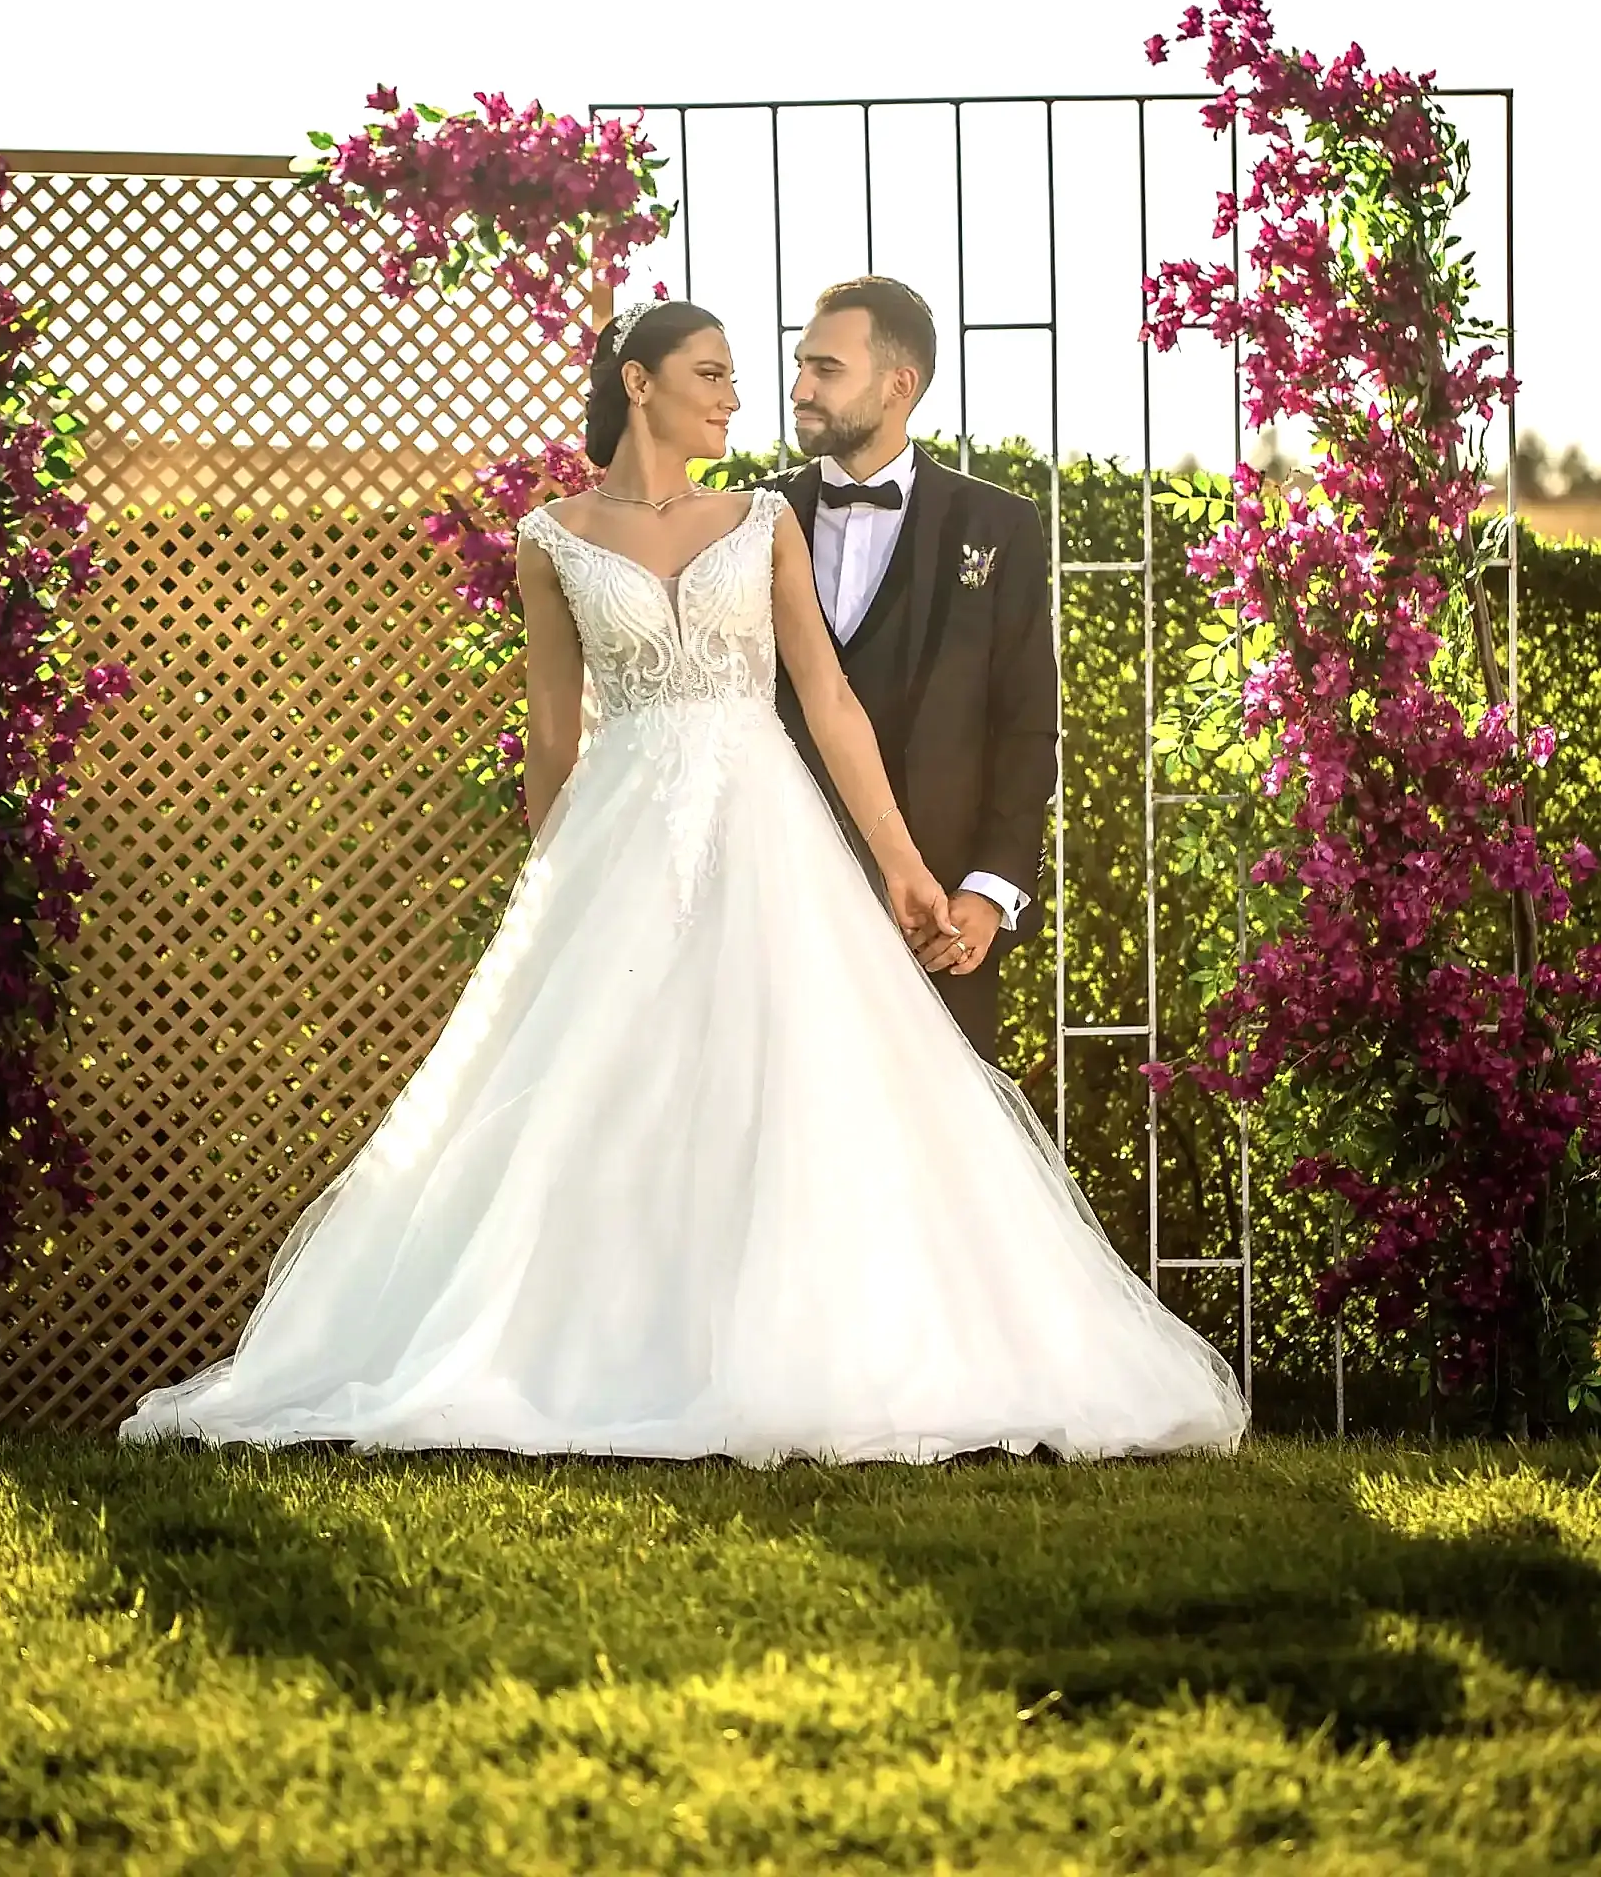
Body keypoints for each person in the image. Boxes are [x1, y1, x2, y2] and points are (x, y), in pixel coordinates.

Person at [120, 300, 1247, 1462]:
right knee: (602, 1091)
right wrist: (550, 889)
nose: (739, 395)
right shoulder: (551, 538)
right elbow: (550, 735)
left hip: (766, 834)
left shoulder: (762, 521)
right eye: (712, 373)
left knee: (796, 1084)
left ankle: (816, 1348)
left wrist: (907, 866)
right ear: (638, 381)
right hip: (617, 839)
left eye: (745, 375)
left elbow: (830, 702)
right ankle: (587, 1354)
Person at [776, 277, 1056, 1062]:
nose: (800, 389)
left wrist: (990, 891)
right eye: (800, 365)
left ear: (900, 384)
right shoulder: (751, 519)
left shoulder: (999, 525)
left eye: (826, 369)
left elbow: (1026, 725)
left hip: (937, 923)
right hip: (779, 908)